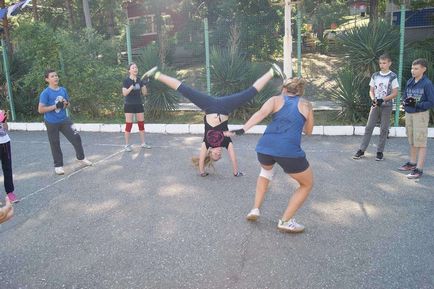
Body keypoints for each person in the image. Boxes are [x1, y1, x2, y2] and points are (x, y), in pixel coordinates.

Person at [142, 64, 283, 176]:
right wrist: (235, 172)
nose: (219, 153)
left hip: (208, 105)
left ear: (210, 152)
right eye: (220, 155)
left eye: (216, 155)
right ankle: (271, 72)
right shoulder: (225, 142)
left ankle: (156, 74)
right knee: (249, 93)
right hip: (225, 106)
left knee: (183, 89)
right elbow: (233, 157)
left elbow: (201, 158)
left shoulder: (207, 143)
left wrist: (202, 172)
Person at [225, 77, 314, 233]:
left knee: (266, 172)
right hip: (288, 151)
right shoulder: (306, 105)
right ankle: (285, 221)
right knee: (307, 184)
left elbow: (260, 114)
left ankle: (255, 209)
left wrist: (241, 130)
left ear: (284, 89)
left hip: (265, 148)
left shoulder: (275, 100)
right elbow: (308, 132)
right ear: (300, 91)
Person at [38, 69, 93, 175]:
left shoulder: (63, 90)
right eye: (52, 76)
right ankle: (58, 166)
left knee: (76, 137)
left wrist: (66, 103)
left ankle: (81, 158)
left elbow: (68, 104)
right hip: (51, 122)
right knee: (55, 143)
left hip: (64, 120)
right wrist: (55, 106)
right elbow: (40, 110)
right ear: (47, 79)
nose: (55, 78)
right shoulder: (45, 93)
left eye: (56, 76)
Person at [353, 54, 399, 161]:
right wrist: (373, 98)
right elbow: (371, 90)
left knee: (384, 129)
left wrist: (383, 99)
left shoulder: (393, 76)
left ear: (389, 63)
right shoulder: (375, 75)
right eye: (380, 63)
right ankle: (361, 150)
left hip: (386, 106)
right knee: (369, 127)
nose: (382, 65)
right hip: (375, 105)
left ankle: (379, 152)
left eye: (384, 63)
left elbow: (395, 93)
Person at [398, 58, 434, 179]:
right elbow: (405, 95)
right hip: (409, 114)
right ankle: (412, 163)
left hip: (420, 115)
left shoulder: (427, 84)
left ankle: (419, 169)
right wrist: (405, 102)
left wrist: (415, 104)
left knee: (421, 142)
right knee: (412, 140)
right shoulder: (410, 81)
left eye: (416, 68)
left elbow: (431, 102)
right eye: (412, 68)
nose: (413, 71)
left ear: (423, 69)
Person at [122, 63, 151, 152]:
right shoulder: (126, 81)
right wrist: (131, 86)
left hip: (138, 104)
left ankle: (143, 143)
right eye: (133, 67)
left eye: (136, 67)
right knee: (129, 125)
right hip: (129, 105)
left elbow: (144, 93)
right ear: (129, 70)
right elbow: (124, 93)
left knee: (141, 124)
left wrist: (144, 85)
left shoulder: (139, 80)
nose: (135, 69)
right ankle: (127, 145)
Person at [0, 110, 18, 203]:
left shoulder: (0, 112)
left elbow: (6, 128)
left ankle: (10, 192)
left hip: (5, 142)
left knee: (7, 168)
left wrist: (4, 120)